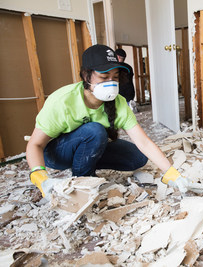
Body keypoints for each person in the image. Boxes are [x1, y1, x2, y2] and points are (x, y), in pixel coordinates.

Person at [26, 44, 190, 198]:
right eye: (104, 77)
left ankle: (84, 163)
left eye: (115, 77)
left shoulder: (118, 103)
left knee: (137, 157)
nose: (110, 83)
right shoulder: (62, 101)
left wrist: (171, 173)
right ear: (86, 75)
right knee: (95, 131)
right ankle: (83, 181)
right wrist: (40, 177)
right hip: (57, 153)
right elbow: (35, 144)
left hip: (88, 145)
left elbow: (143, 142)